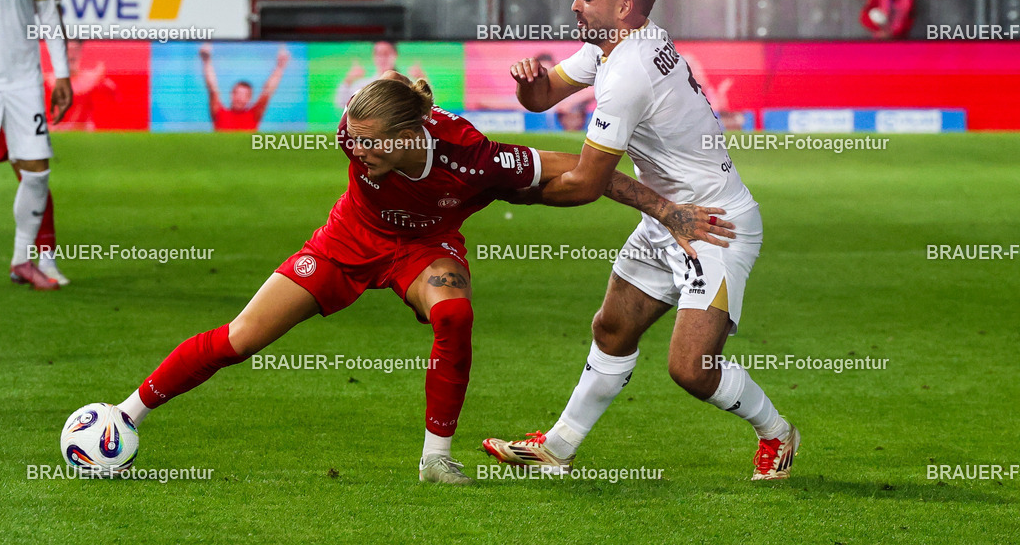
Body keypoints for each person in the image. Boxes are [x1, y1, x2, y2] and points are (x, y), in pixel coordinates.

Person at [113, 72, 735, 485]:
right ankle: (123, 416)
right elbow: (367, 145)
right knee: (242, 337)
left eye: (371, 145)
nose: (357, 153)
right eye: (352, 142)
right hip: (347, 240)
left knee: (454, 315)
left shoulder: (471, 153)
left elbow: (574, 172)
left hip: (424, 248)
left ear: (412, 134)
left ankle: (436, 460)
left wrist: (668, 209)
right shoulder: (358, 129)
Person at [482, 0, 800, 481]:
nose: (575, 4)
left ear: (624, 6)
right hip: (669, 216)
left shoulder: (628, 73)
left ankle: (777, 432)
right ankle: (558, 448)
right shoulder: (617, 45)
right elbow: (541, 98)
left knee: (691, 370)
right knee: (611, 328)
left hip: (711, 226)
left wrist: (505, 187)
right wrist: (526, 82)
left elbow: (586, 184)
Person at [0, 0, 72, 291]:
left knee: (35, 170)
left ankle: (36, 257)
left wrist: (61, 73)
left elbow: (48, 12)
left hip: (22, 80)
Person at [200, 43, 289, 131]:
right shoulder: (219, 113)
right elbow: (212, 89)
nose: (239, 98)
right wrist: (206, 61)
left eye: (244, 95)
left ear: (249, 99)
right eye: (237, 93)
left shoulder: (253, 115)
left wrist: (280, 67)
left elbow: (267, 91)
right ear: (231, 95)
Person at [334, 41, 424, 111]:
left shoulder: (410, 85)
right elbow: (342, 104)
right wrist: (349, 80)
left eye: (386, 53)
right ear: (374, 56)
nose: (383, 58)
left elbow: (425, 108)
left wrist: (423, 81)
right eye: (379, 53)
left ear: (395, 55)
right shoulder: (362, 85)